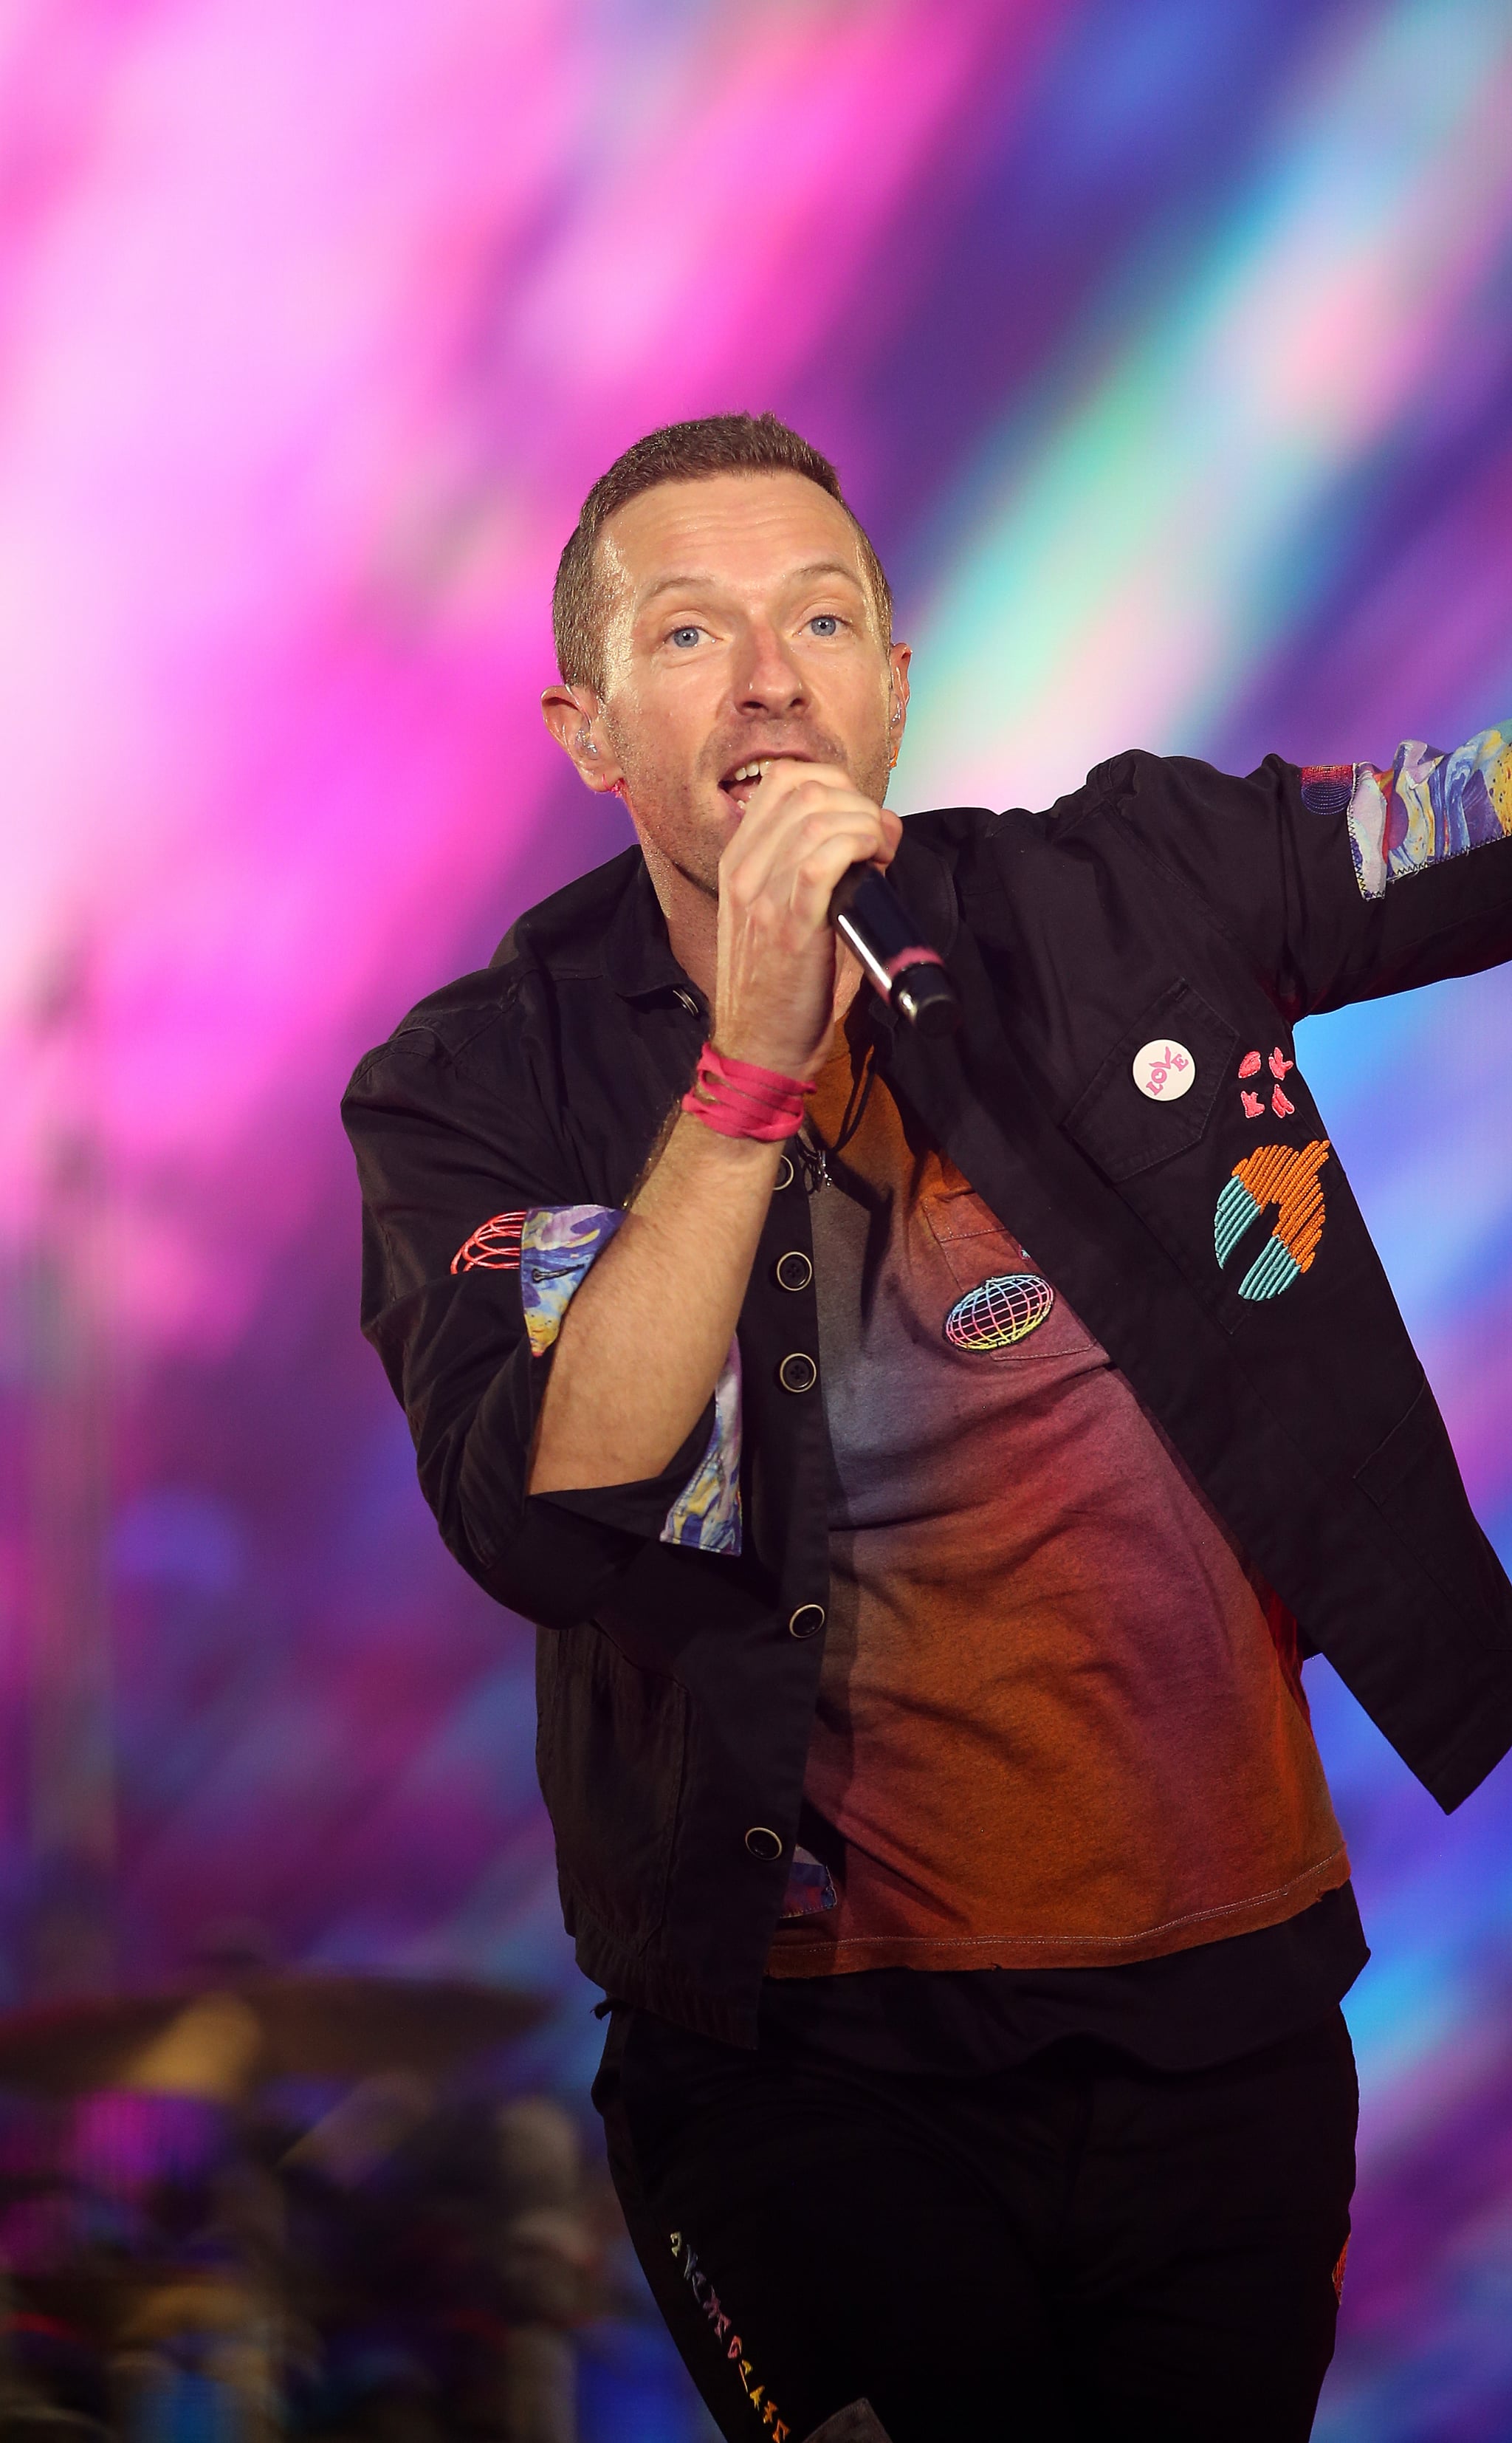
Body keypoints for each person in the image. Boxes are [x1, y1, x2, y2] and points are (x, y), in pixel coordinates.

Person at [341, 413, 1512, 2443]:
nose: (772, 671)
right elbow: (558, 1507)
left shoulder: (1122, 891)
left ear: (895, 682)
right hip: (813, 2071)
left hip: (1230, 2027)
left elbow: (1473, 820)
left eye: (821, 616)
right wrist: (751, 1067)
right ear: (590, 727)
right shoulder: (478, 1082)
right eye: (691, 630)